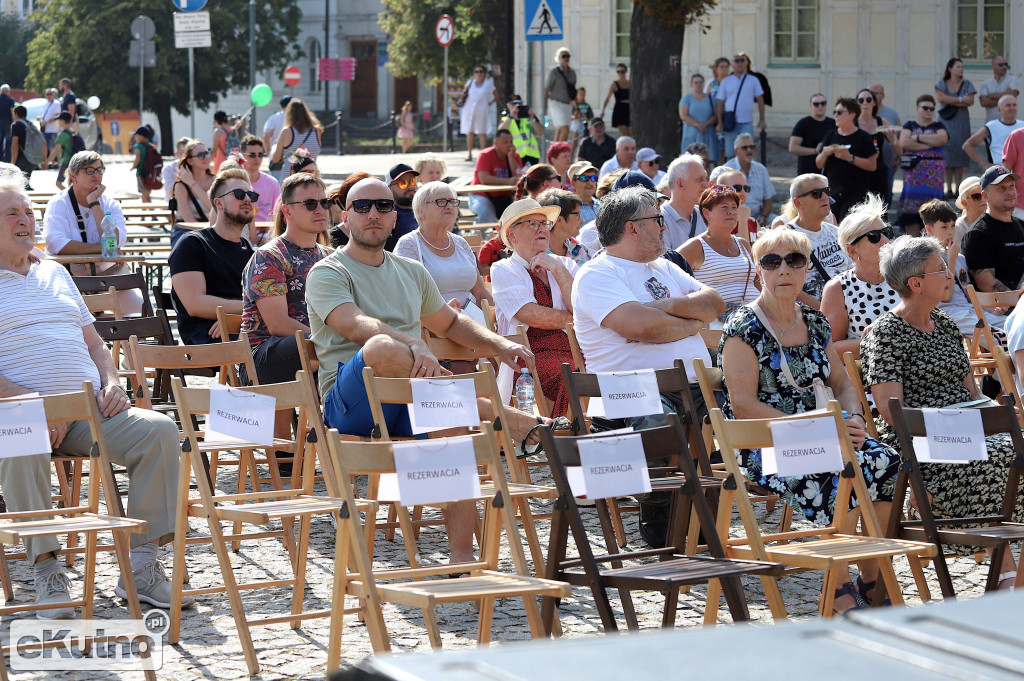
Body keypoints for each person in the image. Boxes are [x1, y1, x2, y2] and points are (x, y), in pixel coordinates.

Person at [305, 177, 545, 566]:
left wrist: (501, 344)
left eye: (383, 207)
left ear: (394, 217)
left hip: (415, 396)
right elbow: (353, 325)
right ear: (345, 216)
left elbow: (449, 324)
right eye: (362, 207)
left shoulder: (412, 270)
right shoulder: (327, 271)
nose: (373, 215)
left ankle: (463, 560)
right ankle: (510, 419)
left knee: (448, 417)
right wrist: (414, 343)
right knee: (383, 349)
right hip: (351, 405)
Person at [0, 177, 189, 616]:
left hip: (89, 410)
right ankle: (47, 569)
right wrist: (33, 402)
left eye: (29, 212)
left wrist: (112, 381)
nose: (26, 220)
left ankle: (140, 566)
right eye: (13, 213)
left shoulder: (55, 271)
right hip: (18, 412)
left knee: (159, 430)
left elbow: (95, 345)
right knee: (19, 437)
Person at [720, 227, 901, 612]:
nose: (783, 269)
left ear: (805, 270)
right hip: (767, 441)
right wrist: (819, 429)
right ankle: (836, 588)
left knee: (887, 462)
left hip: (829, 434)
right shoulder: (744, 328)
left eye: (794, 260)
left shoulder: (816, 323)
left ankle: (871, 579)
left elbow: (843, 382)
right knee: (841, 472)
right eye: (772, 261)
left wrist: (852, 417)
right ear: (759, 271)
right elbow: (744, 404)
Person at [861, 235, 1024, 588]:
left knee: (1018, 446)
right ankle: (1005, 573)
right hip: (919, 435)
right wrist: (949, 427)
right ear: (916, 283)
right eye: (941, 269)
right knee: (990, 455)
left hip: (965, 421)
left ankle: (1014, 570)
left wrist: (987, 415)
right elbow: (892, 411)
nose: (950, 274)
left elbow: (971, 390)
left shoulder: (946, 325)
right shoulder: (886, 333)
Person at [572, 186, 723, 547]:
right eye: (657, 219)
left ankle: (702, 512)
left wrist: (660, 309)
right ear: (633, 228)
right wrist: (689, 321)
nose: (664, 226)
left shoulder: (665, 265)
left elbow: (714, 302)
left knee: (738, 412)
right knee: (659, 421)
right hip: (630, 392)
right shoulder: (598, 273)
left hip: (695, 386)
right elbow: (640, 326)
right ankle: (661, 515)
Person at [241, 173, 330, 452]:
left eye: (324, 203)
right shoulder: (270, 255)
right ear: (288, 210)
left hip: (313, 347)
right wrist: (334, 339)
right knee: (327, 347)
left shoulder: (329, 256)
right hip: (263, 358)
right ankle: (285, 450)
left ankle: (354, 444)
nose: (320, 210)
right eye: (311, 203)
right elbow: (278, 324)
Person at [491, 198, 578, 413]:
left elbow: (582, 306)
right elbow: (531, 315)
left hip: (576, 347)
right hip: (530, 354)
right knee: (572, 373)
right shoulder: (503, 269)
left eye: (544, 224)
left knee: (609, 365)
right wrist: (576, 318)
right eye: (533, 224)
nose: (542, 229)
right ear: (511, 235)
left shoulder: (566, 265)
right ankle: (562, 433)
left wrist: (557, 270)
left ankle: (599, 428)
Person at [42, 151, 143, 315]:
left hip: (108, 274)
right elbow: (57, 245)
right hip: (69, 278)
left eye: (99, 170)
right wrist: (101, 248)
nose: (96, 174)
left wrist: (94, 203)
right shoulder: (58, 203)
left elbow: (116, 241)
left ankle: (128, 339)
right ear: (73, 175)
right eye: (89, 170)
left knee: (140, 312)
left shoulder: (110, 203)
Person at [169, 168, 256, 345]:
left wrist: (240, 318)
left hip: (244, 330)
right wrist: (252, 311)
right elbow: (195, 305)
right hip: (208, 337)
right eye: (239, 194)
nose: (247, 199)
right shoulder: (192, 244)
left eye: (251, 195)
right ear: (219, 203)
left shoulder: (249, 251)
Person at [820, 194, 898, 358]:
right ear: (853, 251)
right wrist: (882, 341)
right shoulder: (838, 288)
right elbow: (830, 348)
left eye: (886, 232)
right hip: (866, 372)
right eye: (874, 237)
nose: (885, 240)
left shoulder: (904, 275)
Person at [395, 181, 490, 313]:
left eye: (452, 201)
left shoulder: (461, 243)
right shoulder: (409, 245)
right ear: (420, 211)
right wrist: (444, 315)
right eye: (441, 201)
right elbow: (405, 298)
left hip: (474, 322)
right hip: (435, 327)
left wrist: (501, 316)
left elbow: (480, 294)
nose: (449, 206)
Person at [920, 198, 1006, 344]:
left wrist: (990, 309)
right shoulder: (928, 259)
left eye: (953, 226)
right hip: (949, 313)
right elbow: (945, 296)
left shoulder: (959, 258)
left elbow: (967, 291)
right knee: (1001, 338)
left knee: (1010, 324)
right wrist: (951, 260)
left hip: (969, 309)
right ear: (929, 230)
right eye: (944, 227)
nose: (950, 232)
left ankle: (1003, 366)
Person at [678, 186, 757, 324]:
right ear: (707, 213)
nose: (731, 212)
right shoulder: (696, 246)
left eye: (734, 207)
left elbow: (758, 282)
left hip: (750, 323)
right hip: (713, 326)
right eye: (724, 207)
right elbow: (668, 275)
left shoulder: (743, 245)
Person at [782, 173, 853, 307]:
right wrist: (824, 312)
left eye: (826, 191)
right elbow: (788, 285)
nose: (826, 197)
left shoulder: (837, 233)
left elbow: (853, 271)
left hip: (848, 308)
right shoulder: (785, 238)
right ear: (798, 202)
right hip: (811, 316)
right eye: (816, 193)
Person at [962, 165, 1024, 293]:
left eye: (1011, 186)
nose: (1010, 192)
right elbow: (986, 284)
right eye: (1002, 188)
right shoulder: (978, 234)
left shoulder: (1022, 225)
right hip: (1004, 309)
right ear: (985, 196)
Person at [816, 97, 877, 223]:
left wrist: (849, 158)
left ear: (852, 115)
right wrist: (824, 154)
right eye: (835, 112)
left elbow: (872, 165)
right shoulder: (831, 135)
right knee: (832, 225)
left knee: (846, 226)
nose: (835, 116)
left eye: (839, 112)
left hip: (855, 192)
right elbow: (818, 164)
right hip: (832, 191)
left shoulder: (863, 137)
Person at [897, 94, 949, 235]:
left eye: (931, 109)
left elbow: (942, 139)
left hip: (934, 182)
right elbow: (904, 142)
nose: (928, 111)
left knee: (935, 215)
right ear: (917, 108)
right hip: (913, 181)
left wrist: (918, 138)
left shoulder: (939, 125)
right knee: (911, 217)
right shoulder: (909, 125)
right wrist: (930, 146)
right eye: (925, 108)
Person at [711, 133, 776, 226]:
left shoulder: (761, 169)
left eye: (752, 147)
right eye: (745, 148)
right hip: (734, 215)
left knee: (777, 221)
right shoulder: (726, 170)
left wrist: (764, 217)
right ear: (735, 151)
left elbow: (768, 199)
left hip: (759, 216)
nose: (749, 150)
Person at [935, 57, 977, 198]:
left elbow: (970, 101)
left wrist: (950, 100)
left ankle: (959, 187)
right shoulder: (942, 83)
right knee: (947, 154)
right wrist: (960, 99)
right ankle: (948, 189)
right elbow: (941, 99)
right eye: (958, 66)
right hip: (946, 122)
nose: (961, 69)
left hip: (961, 121)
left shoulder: (967, 84)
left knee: (960, 153)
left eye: (961, 67)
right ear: (950, 68)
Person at [715, 52, 766, 159]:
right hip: (730, 122)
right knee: (730, 153)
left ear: (746, 63)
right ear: (732, 64)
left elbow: (760, 100)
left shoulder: (753, 80)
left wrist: (762, 119)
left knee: (747, 152)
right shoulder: (726, 81)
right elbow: (720, 103)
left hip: (746, 122)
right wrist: (720, 122)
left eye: (742, 60)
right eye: (736, 61)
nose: (739, 63)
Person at [855, 88, 901, 204]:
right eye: (861, 100)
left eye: (868, 99)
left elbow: (900, 150)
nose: (865, 102)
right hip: (857, 172)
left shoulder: (882, 122)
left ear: (874, 103)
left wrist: (891, 139)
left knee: (881, 210)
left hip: (878, 172)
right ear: (857, 103)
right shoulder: (852, 122)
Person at [470, 129, 522, 225]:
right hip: (482, 195)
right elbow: (484, 179)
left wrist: (511, 158)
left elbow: (519, 178)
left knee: (519, 215)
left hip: (505, 197)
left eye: (511, 142)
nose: (509, 145)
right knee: (487, 213)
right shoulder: (485, 155)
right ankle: (477, 238)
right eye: (505, 142)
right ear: (495, 143)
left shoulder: (514, 156)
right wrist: (507, 181)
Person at [170, 139, 215, 247]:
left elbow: (216, 209)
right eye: (200, 155)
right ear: (190, 161)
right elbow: (189, 221)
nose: (206, 157)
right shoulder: (180, 185)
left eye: (207, 153)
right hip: (185, 231)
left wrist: (192, 184)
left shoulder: (215, 181)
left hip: (211, 230)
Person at [962, 94, 1024, 169]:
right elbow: (967, 145)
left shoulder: (1022, 125)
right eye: (1008, 105)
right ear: (999, 109)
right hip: (1001, 172)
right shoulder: (991, 126)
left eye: (1014, 105)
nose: (1012, 108)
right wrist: (984, 164)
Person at [661, 153, 709, 249]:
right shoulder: (659, 220)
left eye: (705, 179)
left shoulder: (706, 216)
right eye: (699, 179)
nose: (706, 185)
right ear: (680, 184)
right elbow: (664, 262)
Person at [538, 187, 589, 264]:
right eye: (577, 215)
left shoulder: (580, 249)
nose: (582, 221)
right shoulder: (534, 253)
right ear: (558, 220)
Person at [789, 93, 836, 176]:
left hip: (829, 170)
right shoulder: (803, 124)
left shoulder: (833, 123)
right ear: (811, 106)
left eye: (823, 103)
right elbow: (792, 148)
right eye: (816, 104)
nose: (820, 106)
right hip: (807, 170)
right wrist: (815, 150)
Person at [238, 134, 281, 224]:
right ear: (242, 156)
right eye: (252, 155)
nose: (257, 158)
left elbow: (278, 214)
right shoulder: (237, 183)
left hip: (268, 232)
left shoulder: (272, 182)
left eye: (260, 154)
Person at [270, 99, 323, 170]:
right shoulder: (317, 131)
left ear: (289, 114)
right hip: (310, 176)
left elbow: (275, 159)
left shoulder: (286, 131)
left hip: (290, 177)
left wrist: (274, 148)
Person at [460, 66, 497, 161]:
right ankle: (469, 154)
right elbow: (464, 94)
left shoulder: (488, 84)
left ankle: (483, 155)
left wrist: (489, 103)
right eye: (476, 71)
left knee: (482, 132)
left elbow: (496, 95)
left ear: (484, 73)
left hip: (482, 110)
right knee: (470, 132)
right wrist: (465, 90)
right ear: (474, 73)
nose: (479, 73)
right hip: (470, 110)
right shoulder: (470, 82)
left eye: (481, 71)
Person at [679, 73, 718, 161]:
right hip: (691, 135)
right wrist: (698, 125)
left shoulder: (711, 99)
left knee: (707, 160)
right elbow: (683, 116)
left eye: (700, 82)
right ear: (691, 84)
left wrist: (705, 124)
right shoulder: (686, 99)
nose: (698, 84)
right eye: (696, 82)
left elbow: (716, 115)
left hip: (707, 133)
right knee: (690, 161)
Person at [713, 167, 758, 241]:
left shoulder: (753, 222)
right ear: (721, 190)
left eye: (746, 188)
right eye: (737, 188)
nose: (743, 193)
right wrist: (742, 221)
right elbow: (743, 251)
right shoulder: (716, 223)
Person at [499, 95, 543, 166]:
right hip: (514, 155)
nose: (517, 106)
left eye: (520, 104)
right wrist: (511, 117)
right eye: (514, 104)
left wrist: (533, 118)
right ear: (508, 106)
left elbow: (540, 132)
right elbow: (500, 132)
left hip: (531, 154)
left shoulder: (528, 117)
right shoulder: (506, 119)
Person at [545, 47, 577, 143]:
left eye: (567, 56)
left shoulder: (572, 73)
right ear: (558, 58)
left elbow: (573, 92)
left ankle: (553, 154)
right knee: (565, 129)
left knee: (559, 129)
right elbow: (547, 89)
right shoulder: (554, 72)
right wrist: (545, 107)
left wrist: (577, 107)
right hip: (556, 103)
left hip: (568, 104)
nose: (566, 58)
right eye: (563, 56)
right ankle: (560, 150)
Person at [952, 175, 985, 263]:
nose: (983, 199)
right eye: (977, 196)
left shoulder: (992, 221)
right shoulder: (959, 228)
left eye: (984, 194)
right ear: (964, 203)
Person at [979, 55, 1019, 123]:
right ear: (993, 66)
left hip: (1009, 123)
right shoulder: (986, 83)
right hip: (991, 123)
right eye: (1001, 65)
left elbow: (1013, 94)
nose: (1004, 67)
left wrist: (991, 96)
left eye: (1006, 64)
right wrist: (1005, 97)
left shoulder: (1012, 79)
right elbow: (984, 102)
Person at [600, 63, 631, 137]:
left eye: (622, 71)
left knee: (631, 135)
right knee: (625, 135)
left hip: (629, 109)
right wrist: (603, 110)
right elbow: (608, 98)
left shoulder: (630, 83)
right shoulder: (614, 84)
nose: (620, 73)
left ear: (626, 71)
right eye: (618, 71)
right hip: (619, 110)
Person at [48, 112, 74, 190]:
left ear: (62, 121)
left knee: (58, 183)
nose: (58, 122)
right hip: (74, 161)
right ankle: (73, 196)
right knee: (72, 183)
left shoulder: (62, 134)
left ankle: (70, 196)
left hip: (66, 162)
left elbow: (56, 150)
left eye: (59, 120)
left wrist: (47, 161)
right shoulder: (72, 131)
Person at [9, 106, 34, 188]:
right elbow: (43, 142)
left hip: (21, 158)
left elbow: (15, 144)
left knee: (18, 186)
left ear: (16, 114)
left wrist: (13, 162)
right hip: (32, 159)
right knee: (26, 185)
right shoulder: (31, 124)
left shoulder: (16, 125)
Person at [129, 125, 155, 203]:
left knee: (145, 194)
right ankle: (144, 213)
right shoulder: (150, 146)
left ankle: (151, 213)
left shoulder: (138, 146)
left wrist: (133, 167)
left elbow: (138, 158)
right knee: (146, 193)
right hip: (150, 173)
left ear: (141, 136)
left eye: (136, 135)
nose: (135, 137)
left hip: (141, 173)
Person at [262, 95, 292, 165]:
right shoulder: (297, 119)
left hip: (275, 153)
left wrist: (268, 152)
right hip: (292, 154)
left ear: (281, 106)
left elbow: (266, 138)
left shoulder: (273, 118)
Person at [162, 137, 191, 201]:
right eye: (182, 153)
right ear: (177, 154)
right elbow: (170, 193)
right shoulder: (169, 169)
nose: (186, 157)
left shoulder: (198, 166)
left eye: (188, 153)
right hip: (174, 204)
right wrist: (179, 178)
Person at [39, 88, 62, 164]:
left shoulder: (56, 103)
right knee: (45, 146)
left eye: (50, 94)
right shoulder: (44, 104)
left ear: (53, 95)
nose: (49, 96)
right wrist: (41, 121)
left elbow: (57, 115)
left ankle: (54, 162)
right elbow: (41, 115)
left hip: (53, 129)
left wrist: (47, 122)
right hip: (45, 129)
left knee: (53, 147)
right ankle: (47, 162)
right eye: (47, 94)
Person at [0, 85, 13, 163]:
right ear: (7, 91)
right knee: (8, 142)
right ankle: (7, 160)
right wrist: (14, 121)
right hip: (8, 122)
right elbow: (12, 111)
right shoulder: (10, 100)